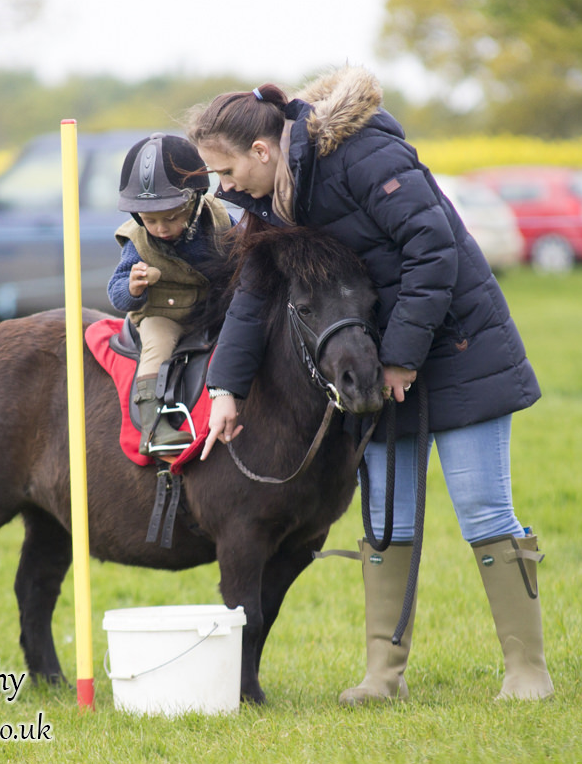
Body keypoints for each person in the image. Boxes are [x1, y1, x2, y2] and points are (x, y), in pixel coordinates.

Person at [188, 66, 553, 704]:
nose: (223, 187)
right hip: (375, 364)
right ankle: (383, 678)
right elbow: (252, 297)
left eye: (224, 172)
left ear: (262, 150)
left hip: (460, 347)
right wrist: (226, 389)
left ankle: (528, 674)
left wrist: (405, 357)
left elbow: (434, 247)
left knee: (484, 512)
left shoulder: (361, 154)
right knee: (386, 518)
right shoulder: (267, 199)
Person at [107, 133, 232, 455]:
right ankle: (153, 427)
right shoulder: (138, 242)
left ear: (194, 202)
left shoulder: (220, 221)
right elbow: (116, 291)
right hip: (163, 312)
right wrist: (133, 288)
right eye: (151, 220)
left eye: (171, 218)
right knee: (158, 344)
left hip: (214, 307)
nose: (161, 228)